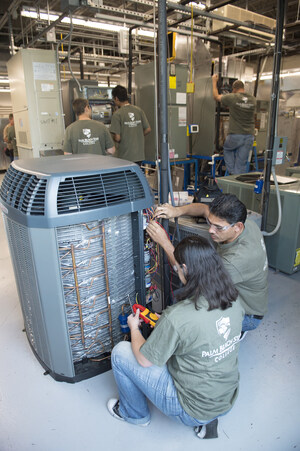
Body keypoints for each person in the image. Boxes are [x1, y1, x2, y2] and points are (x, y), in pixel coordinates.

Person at [108, 236, 244, 439]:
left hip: (190, 409)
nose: (176, 271)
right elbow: (203, 330)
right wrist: (167, 324)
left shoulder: (178, 317)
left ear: (186, 268)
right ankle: (208, 419)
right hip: (225, 399)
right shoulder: (234, 299)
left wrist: (134, 329)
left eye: (177, 268)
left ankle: (135, 415)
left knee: (120, 353)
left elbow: (144, 360)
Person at [147, 194, 268, 338]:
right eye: (210, 223)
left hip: (248, 314)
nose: (211, 230)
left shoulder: (236, 260)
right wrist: (176, 211)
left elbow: (190, 279)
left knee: (191, 314)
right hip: (239, 289)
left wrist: (165, 242)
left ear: (237, 227)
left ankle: (237, 329)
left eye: (218, 228)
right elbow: (204, 209)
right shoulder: (244, 223)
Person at [212, 74, 256, 175]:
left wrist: (214, 81)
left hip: (236, 134)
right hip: (249, 135)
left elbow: (216, 96)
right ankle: (237, 181)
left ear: (234, 89)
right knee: (241, 164)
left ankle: (231, 173)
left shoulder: (233, 97)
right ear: (243, 88)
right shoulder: (253, 99)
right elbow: (244, 108)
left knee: (227, 149)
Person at [110, 85, 151, 165]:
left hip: (125, 156)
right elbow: (148, 129)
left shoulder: (117, 114)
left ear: (116, 98)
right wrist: (136, 135)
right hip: (139, 155)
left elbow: (117, 138)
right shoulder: (139, 110)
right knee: (138, 176)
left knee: (126, 177)